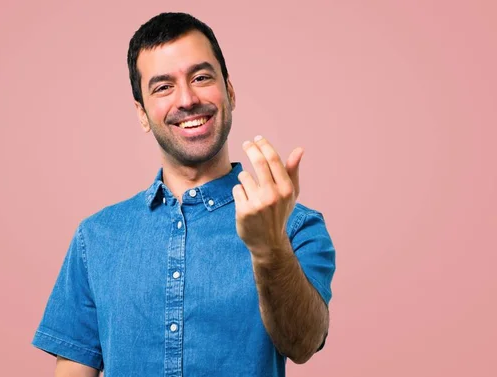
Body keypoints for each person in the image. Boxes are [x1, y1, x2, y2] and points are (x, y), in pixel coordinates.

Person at [32, 12, 336, 377]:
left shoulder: (296, 226)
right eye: (163, 87)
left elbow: (303, 344)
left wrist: (269, 247)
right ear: (142, 114)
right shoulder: (94, 238)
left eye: (201, 77)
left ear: (231, 92)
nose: (188, 99)